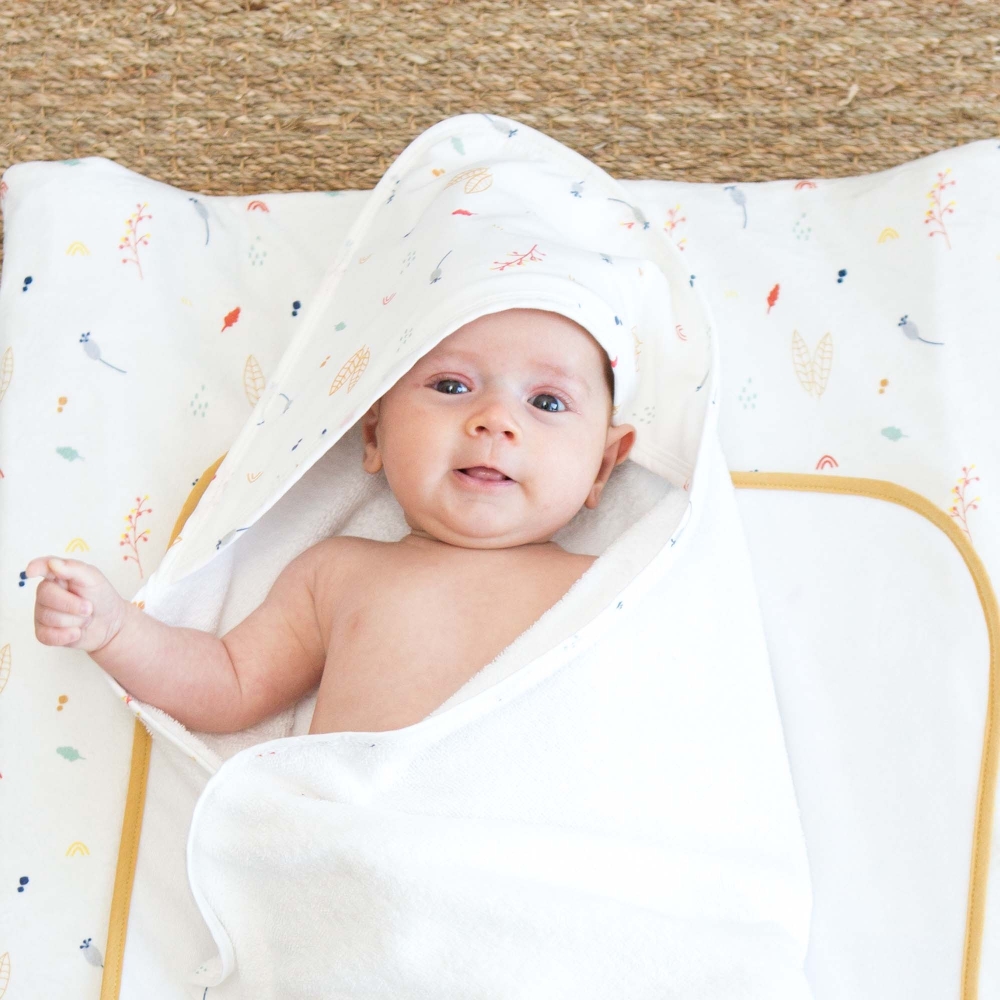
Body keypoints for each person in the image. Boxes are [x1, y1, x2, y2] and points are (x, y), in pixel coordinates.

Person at [28, 307, 636, 736]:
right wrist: (115, 633)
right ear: (373, 434)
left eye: (547, 402)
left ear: (602, 466)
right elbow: (229, 684)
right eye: (452, 385)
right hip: (365, 850)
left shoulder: (626, 582)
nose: (495, 419)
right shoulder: (339, 572)